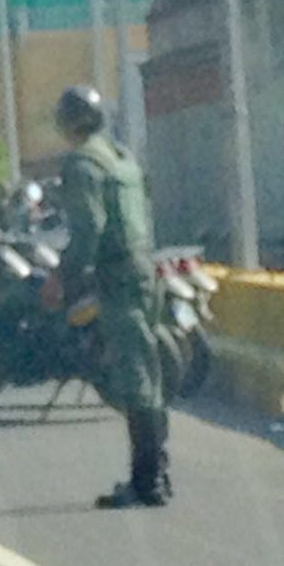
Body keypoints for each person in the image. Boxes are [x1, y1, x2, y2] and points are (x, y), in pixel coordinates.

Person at [42, 85, 169, 509]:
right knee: (148, 372)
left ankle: (146, 481)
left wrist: (63, 276)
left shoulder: (82, 163)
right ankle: (157, 474)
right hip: (144, 268)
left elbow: (88, 229)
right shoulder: (120, 156)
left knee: (135, 377)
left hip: (118, 276)